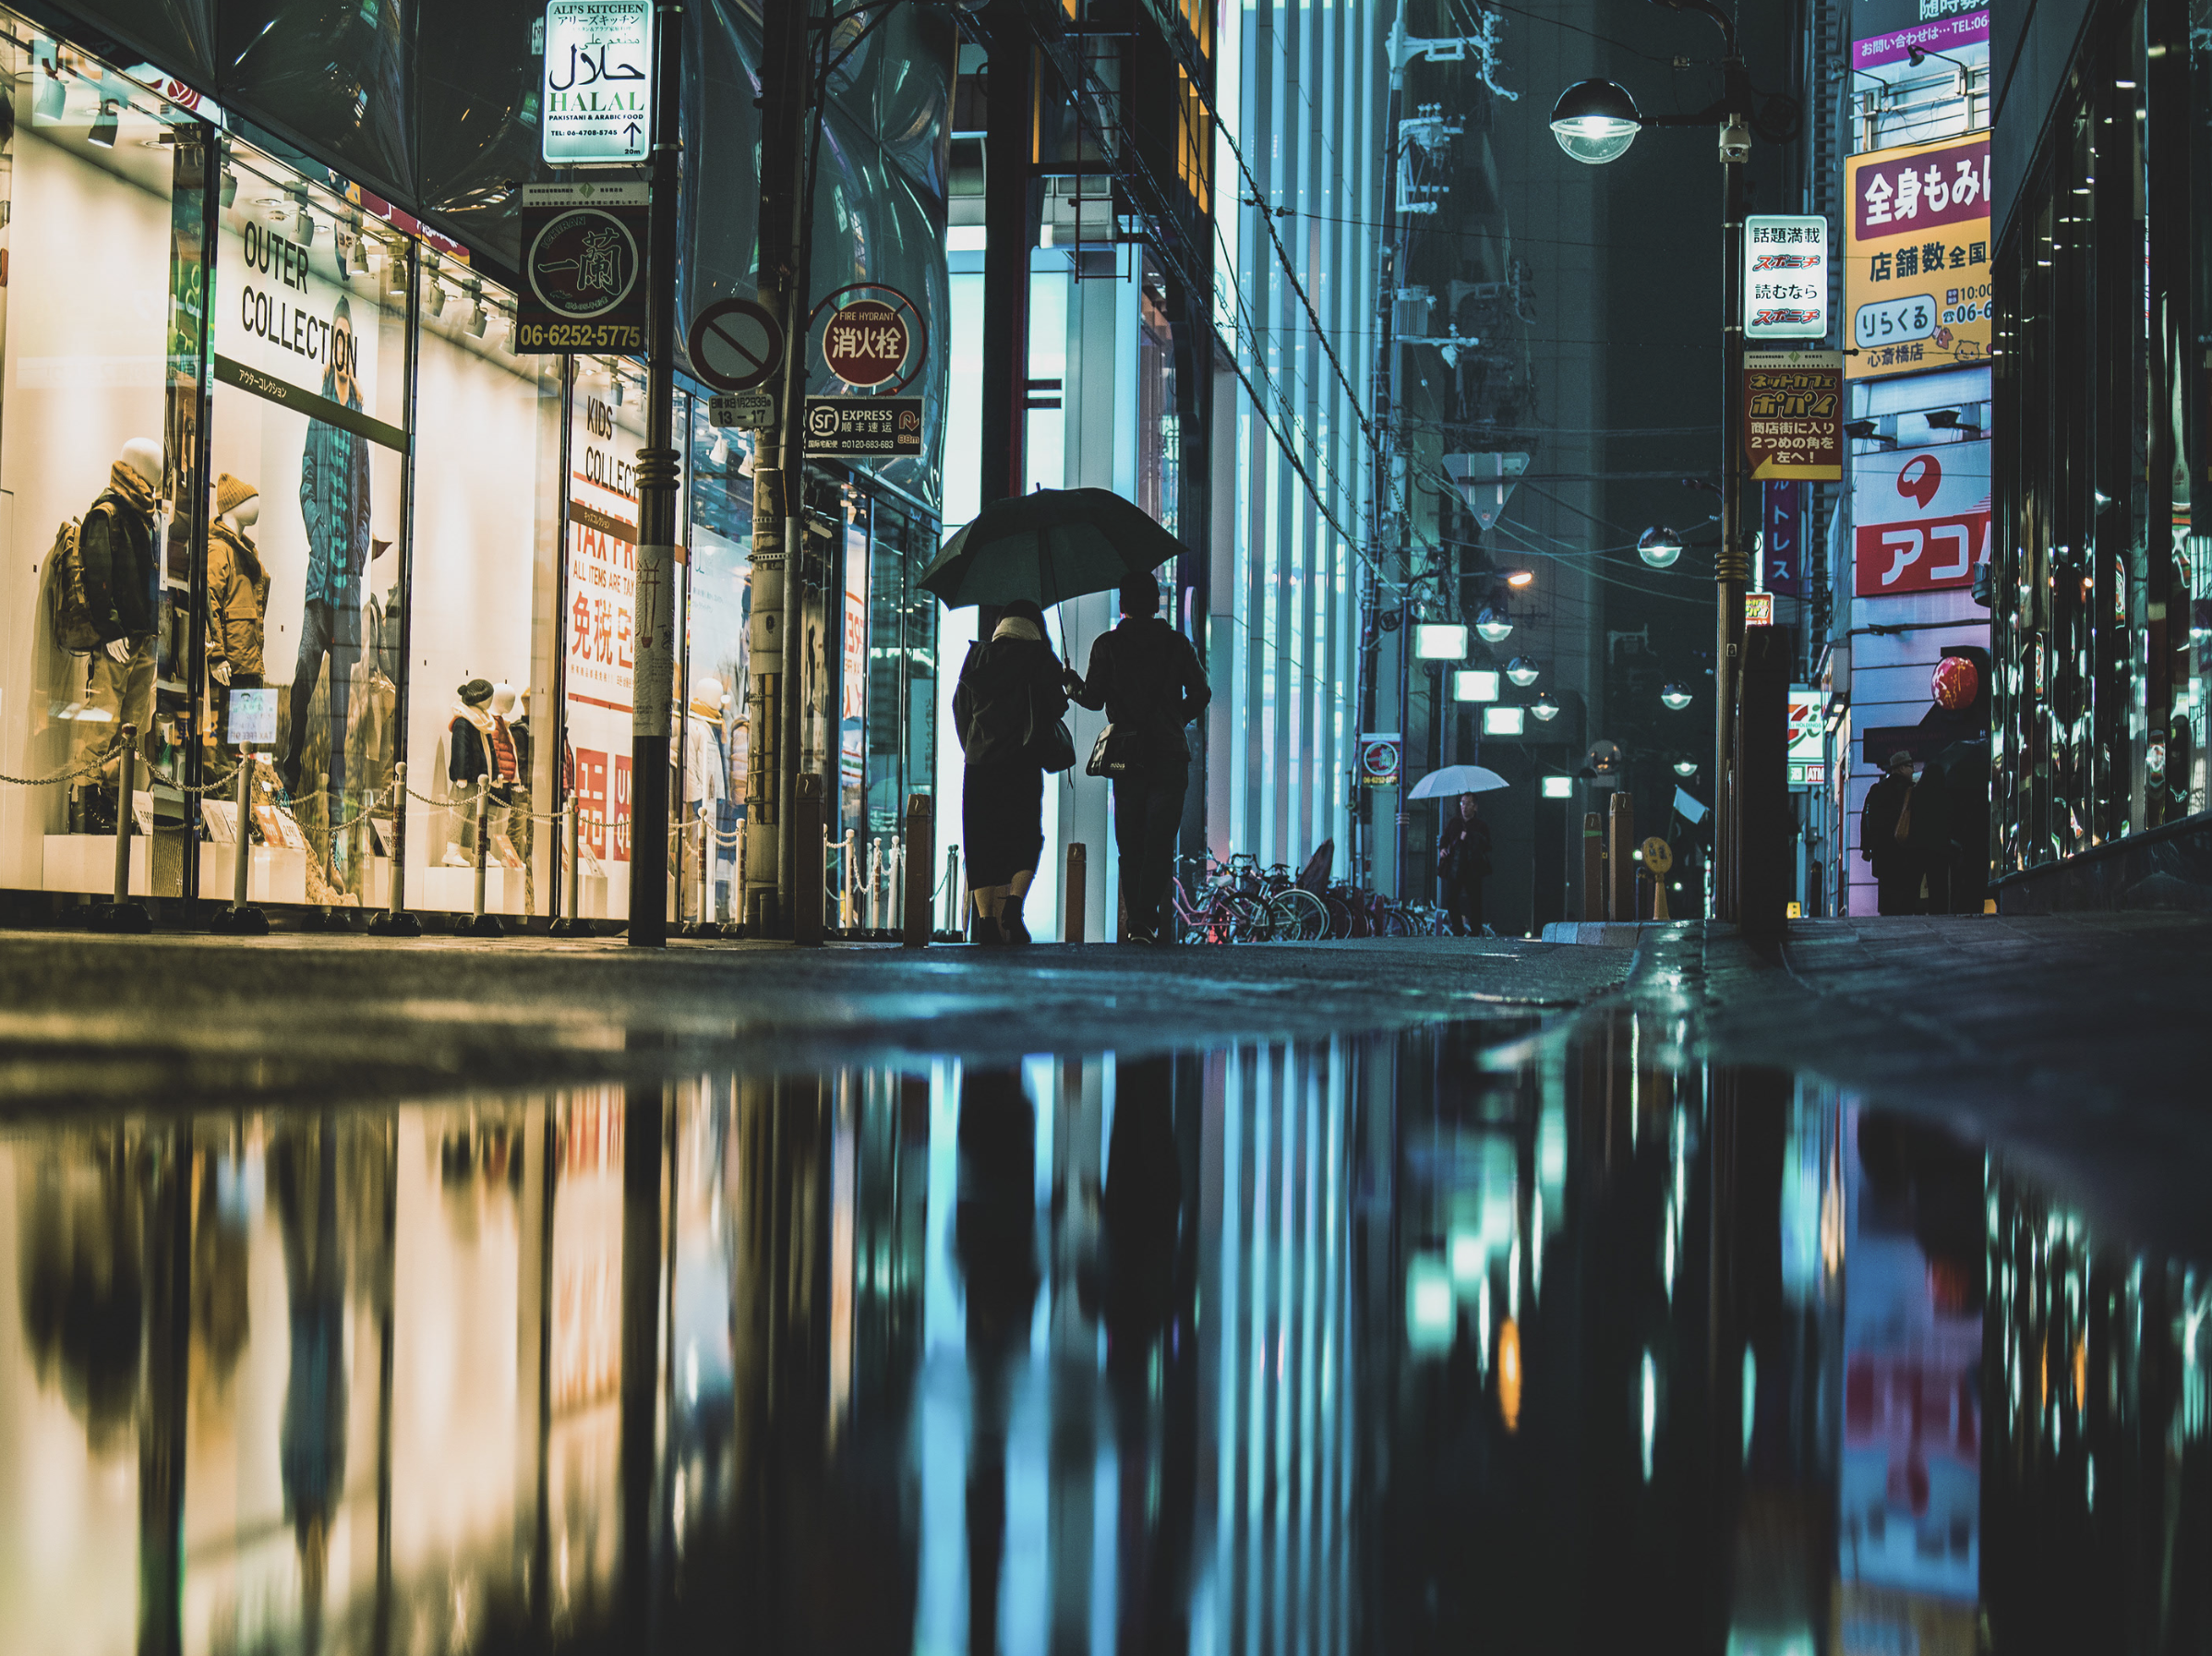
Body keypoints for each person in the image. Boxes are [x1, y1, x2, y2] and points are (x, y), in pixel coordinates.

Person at [1068, 570, 1211, 942]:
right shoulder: (1178, 644)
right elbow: (1201, 693)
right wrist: (1174, 717)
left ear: (1122, 605)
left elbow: (1093, 699)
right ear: (1157, 603)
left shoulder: (1107, 645)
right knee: (1159, 842)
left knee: (1129, 845)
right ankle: (1148, 917)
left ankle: (1137, 922)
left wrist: (1071, 684)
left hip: (1127, 758)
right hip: (1169, 755)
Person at [283, 296, 374, 811]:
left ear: (351, 348)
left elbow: (366, 504)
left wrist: (357, 552)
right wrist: (319, 535)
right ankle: (290, 766)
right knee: (302, 674)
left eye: (346, 339)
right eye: (334, 338)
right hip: (321, 579)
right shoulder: (319, 413)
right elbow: (306, 484)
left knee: (340, 701)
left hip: (348, 582)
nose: (340, 348)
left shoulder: (360, 424)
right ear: (329, 346)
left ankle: (336, 796)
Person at [954, 597, 1068, 943]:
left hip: (979, 766)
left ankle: (987, 921)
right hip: (1023, 764)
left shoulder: (978, 656)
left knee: (980, 842)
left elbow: (961, 709)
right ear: (1035, 625)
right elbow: (1057, 708)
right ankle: (1014, 907)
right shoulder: (1041, 658)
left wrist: (973, 746)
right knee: (1026, 838)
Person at [1860, 749, 1920, 915]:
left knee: (1887, 894)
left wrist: (1866, 847)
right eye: (1909, 766)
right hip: (1904, 850)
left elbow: (1866, 818)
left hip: (1882, 853)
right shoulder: (1910, 790)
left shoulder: (1877, 790)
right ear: (1900, 768)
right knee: (1905, 897)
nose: (1912, 770)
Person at [1436, 792, 1492, 934]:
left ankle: (1475, 930)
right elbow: (1445, 838)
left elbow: (1487, 846)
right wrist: (1442, 849)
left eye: (1468, 803)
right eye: (1462, 803)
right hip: (1455, 867)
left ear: (1475, 807)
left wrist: (1470, 838)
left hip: (1473, 869)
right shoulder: (1455, 823)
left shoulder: (1480, 825)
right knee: (1450, 899)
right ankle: (1458, 929)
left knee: (1474, 901)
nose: (1464, 807)